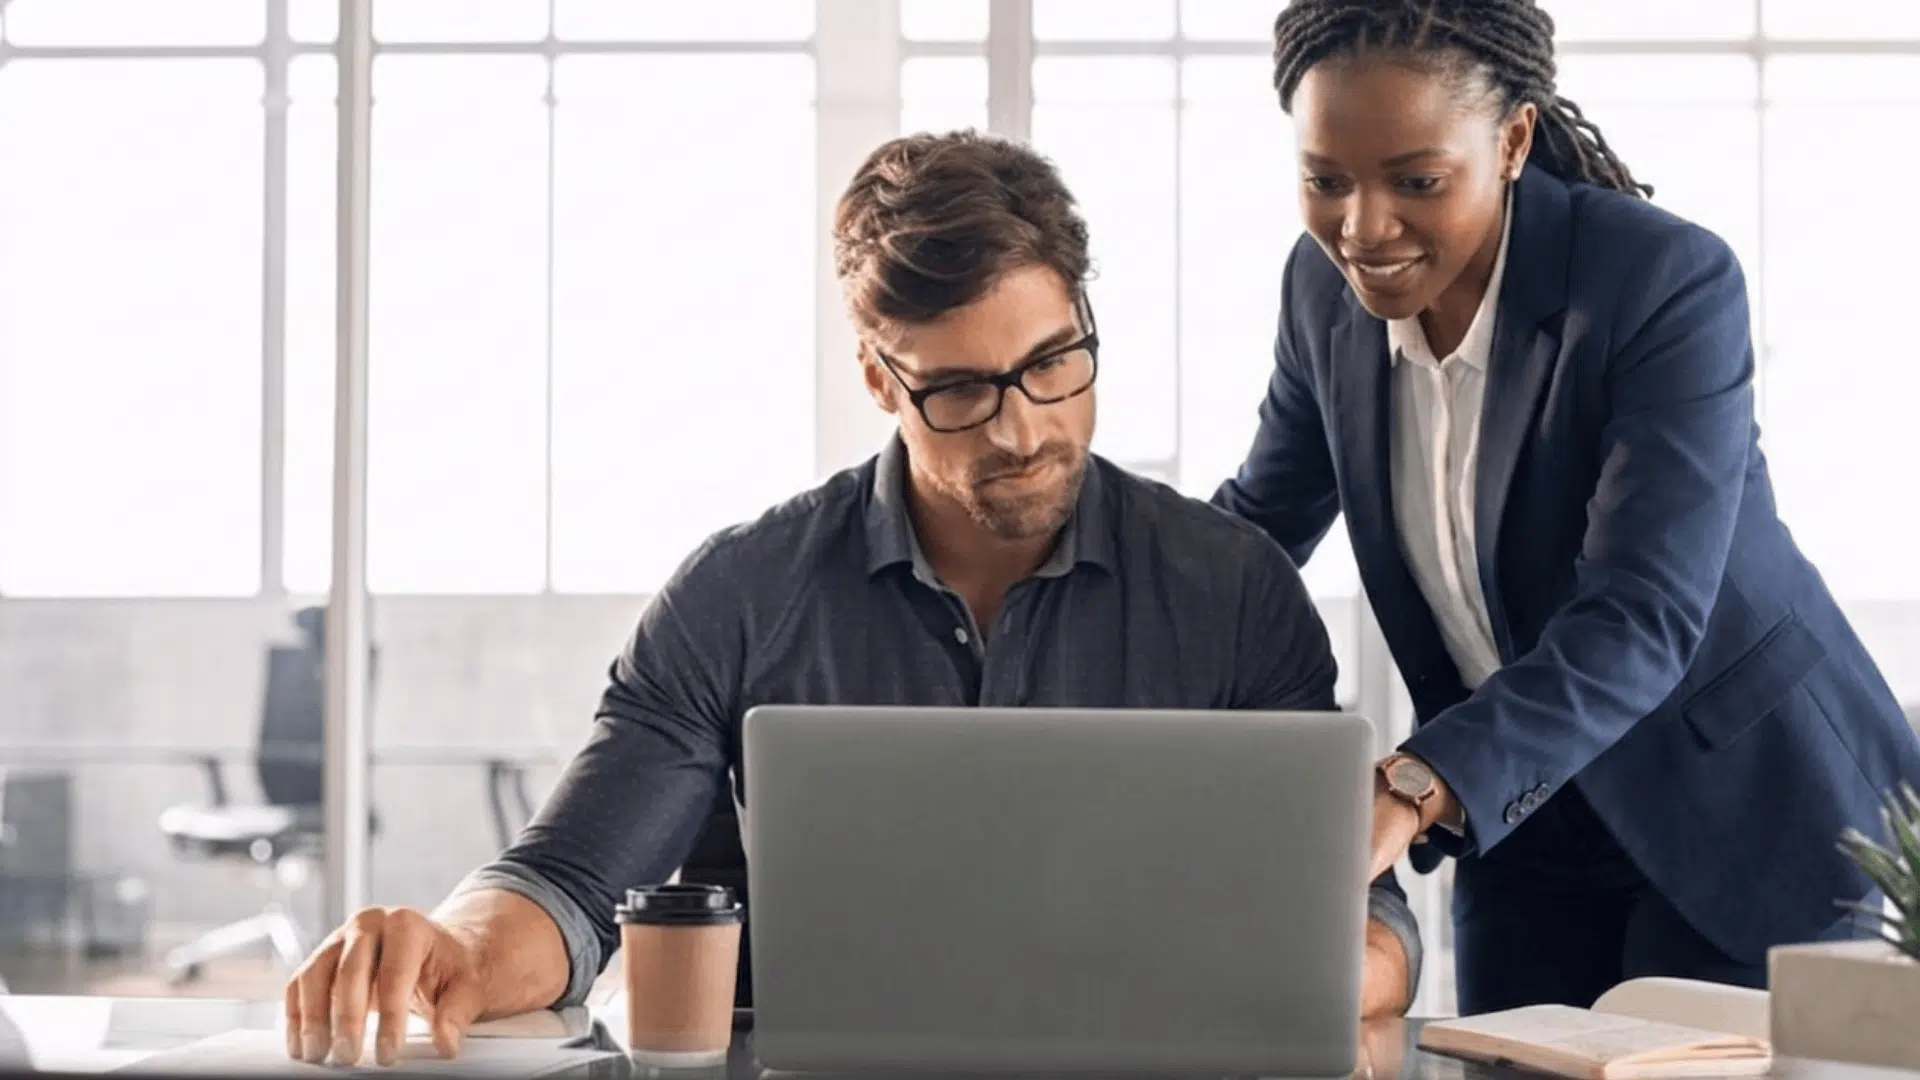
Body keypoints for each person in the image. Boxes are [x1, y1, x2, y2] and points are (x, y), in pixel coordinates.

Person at [283, 131, 1419, 1068]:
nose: (1026, 428)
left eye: (1054, 364)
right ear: (881, 376)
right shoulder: (742, 593)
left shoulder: (1232, 590)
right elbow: (574, 882)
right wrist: (457, 951)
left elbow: (1371, 924)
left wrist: (1348, 961)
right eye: (964, 390)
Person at [1212, 0, 1920, 1016]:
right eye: (1325, 181)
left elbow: (1642, 612)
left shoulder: (1660, 281)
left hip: (1748, 810)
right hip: (1523, 815)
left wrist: (1408, 786)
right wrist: (1088, 591)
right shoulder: (1320, 293)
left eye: (1416, 180)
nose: (1360, 229)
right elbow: (1255, 529)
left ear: (1511, 140)